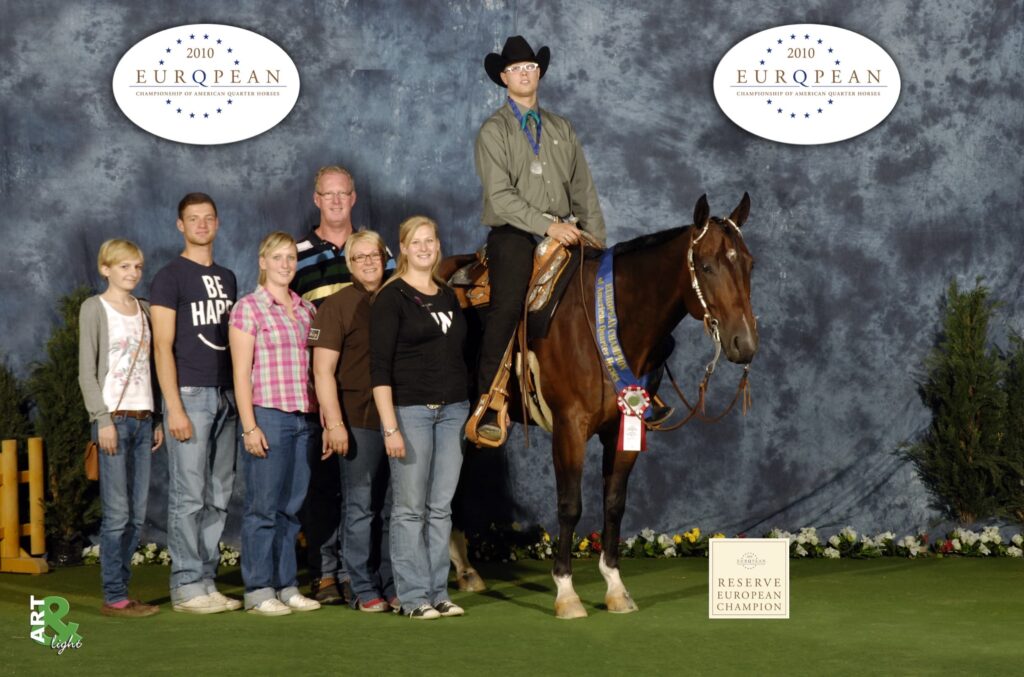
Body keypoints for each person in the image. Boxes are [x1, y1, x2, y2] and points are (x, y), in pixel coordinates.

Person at [472, 35, 606, 443]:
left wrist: (596, 242)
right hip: (516, 233)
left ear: (539, 72)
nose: (524, 74)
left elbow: (584, 190)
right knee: (509, 304)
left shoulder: (562, 128)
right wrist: (547, 226)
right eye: (516, 69)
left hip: (569, 230)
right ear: (503, 77)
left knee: (609, 294)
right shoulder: (493, 131)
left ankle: (627, 388)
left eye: (530, 67)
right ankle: (489, 401)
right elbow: (500, 196)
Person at [371, 215, 470, 620]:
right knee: (409, 508)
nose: (425, 248)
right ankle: (412, 598)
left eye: (431, 240)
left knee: (440, 507)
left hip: (453, 412)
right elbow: (379, 370)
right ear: (404, 249)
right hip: (409, 412)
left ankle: (438, 591)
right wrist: (390, 426)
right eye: (417, 242)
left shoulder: (447, 295)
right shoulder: (390, 298)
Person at [151, 192, 241, 614]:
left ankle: (206, 580)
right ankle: (185, 585)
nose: (201, 224)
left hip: (226, 395)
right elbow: (162, 347)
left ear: (217, 223)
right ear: (180, 225)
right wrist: (175, 407)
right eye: (193, 218)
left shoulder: (227, 277)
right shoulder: (169, 277)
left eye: (208, 217)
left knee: (219, 493)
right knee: (189, 494)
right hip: (190, 394)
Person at [229, 231, 321, 616]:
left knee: (291, 509)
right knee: (263, 508)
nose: (285, 264)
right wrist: (250, 426)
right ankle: (258, 588)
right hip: (268, 414)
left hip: (304, 416)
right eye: (277, 257)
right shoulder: (248, 309)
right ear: (262, 261)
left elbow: (316, 365)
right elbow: (239, 373)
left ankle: (286, 585)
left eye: (290, 258)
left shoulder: (307, 310)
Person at [310, 230, 395, 612]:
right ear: (349, 264)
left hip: (401, 419)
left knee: (396, 509)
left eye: (373, 255)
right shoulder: (337, 306)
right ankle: (361, 585)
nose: (368, 262)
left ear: (385, 256)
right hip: (358, 418)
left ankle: (393, 582)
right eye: (359, 257)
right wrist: (334, 422)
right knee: (361, 506)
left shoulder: (401, 297)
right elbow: (323, 371)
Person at [78, 239, 163, 618]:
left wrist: (157, 417)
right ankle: (114, 595)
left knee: (138, 514)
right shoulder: (94, 309)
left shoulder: (144, 310)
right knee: (117, 515)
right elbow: (86, 372)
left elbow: (155, 369)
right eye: (124, 266)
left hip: (144, 420)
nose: (132, 273)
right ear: (105, 269)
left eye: (137, 267)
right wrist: (102, 419)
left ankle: (124, 591)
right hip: (114, 421)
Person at [290, 165, 360, 605]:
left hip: (364, 390)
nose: (335, 201)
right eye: (327, 194)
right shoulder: (293, 255)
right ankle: (324, 573)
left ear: (353, 198)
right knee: (320, 486)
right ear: (316, 199)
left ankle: (357, 571)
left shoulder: (374, 251)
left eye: (343, 194)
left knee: (363, 487)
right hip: (314, 388)